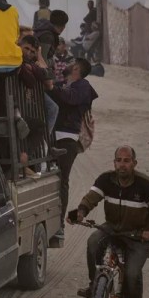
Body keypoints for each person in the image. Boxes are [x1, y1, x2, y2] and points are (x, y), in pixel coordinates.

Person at [70, 146, 149, 298]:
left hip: (138, 235)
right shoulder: (105, 180)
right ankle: (94, 287)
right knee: (92, 242)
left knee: (132, 274)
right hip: (112, 228)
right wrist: (79, 213)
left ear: (134, 163)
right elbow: (90, 199)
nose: (122, 164)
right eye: (119, 160)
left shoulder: (146, 185)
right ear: (114, 162)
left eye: (126, 160)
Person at [49, 58, 98, 237]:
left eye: (70, 62)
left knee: (62, 180)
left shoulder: (83, 86)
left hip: (67, 139)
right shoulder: (65, 84)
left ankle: (59, 225)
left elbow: (69, 98)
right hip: (54, 137)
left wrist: (51, 87)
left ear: (76, 67)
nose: (66, 64)